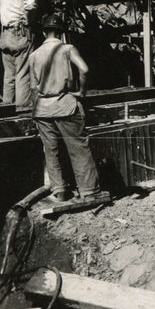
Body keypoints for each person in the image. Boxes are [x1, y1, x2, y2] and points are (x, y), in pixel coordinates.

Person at [28, 13, 107, 204]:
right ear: (62, 32)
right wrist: (81, 92)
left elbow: (33, 88)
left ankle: (60, 191)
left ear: (44, 32)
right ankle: (89, 191)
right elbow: (84, 69)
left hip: (42, 109)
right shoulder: (67, 49)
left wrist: (35, 111)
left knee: (51, 151)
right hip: (66, 105)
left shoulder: (34, 55)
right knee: (78, 148)